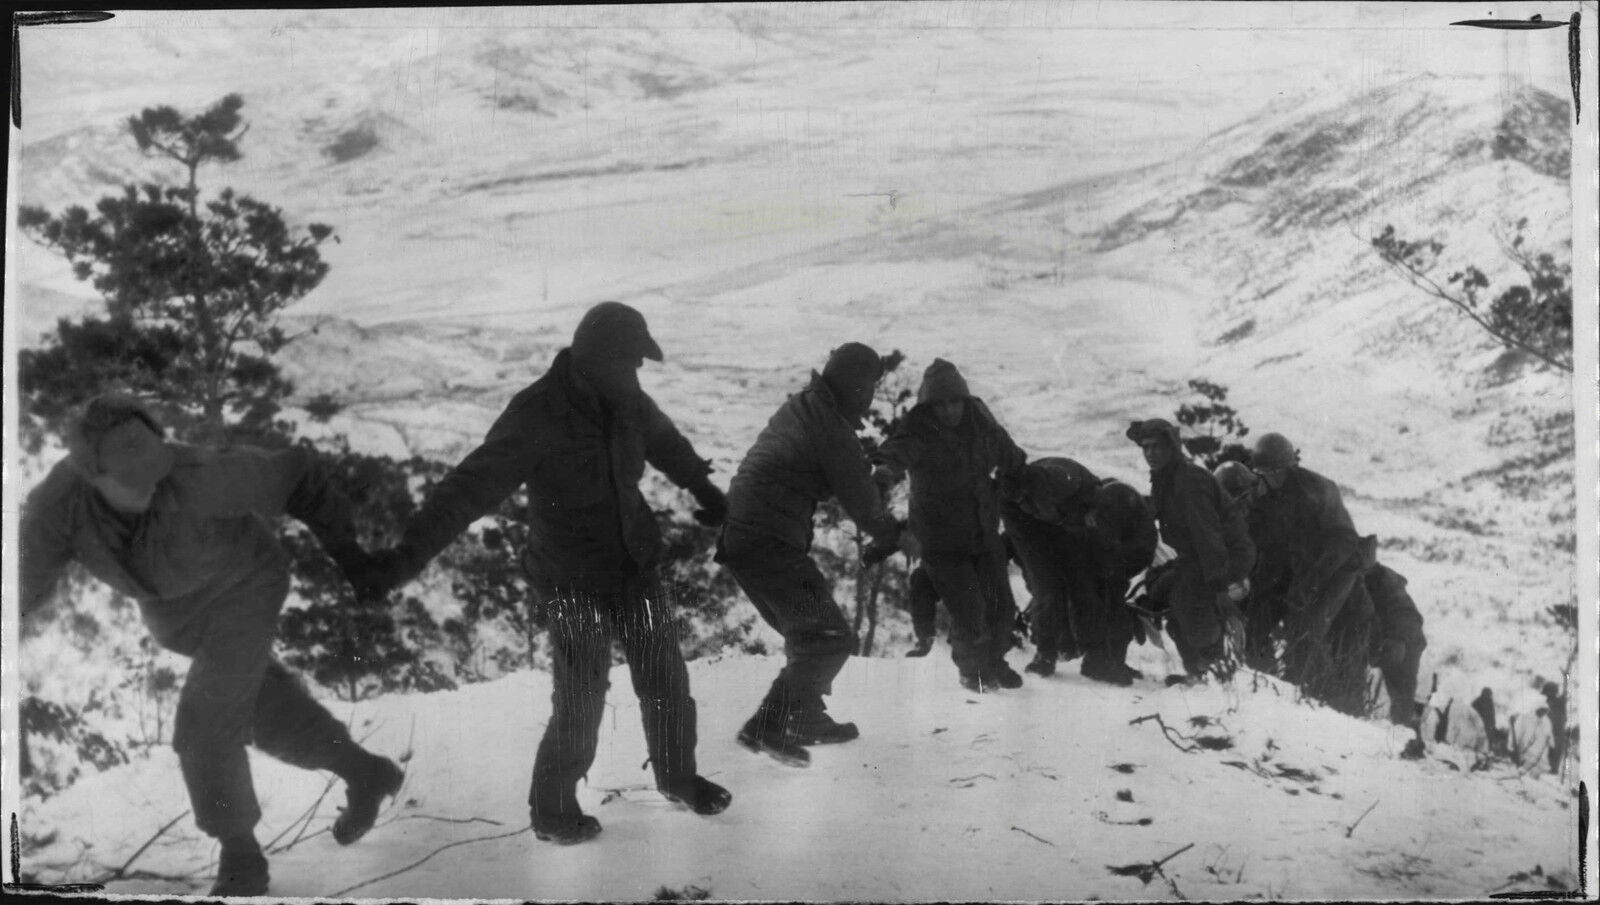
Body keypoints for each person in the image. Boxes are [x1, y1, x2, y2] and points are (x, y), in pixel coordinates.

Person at [352, 302, 732, 845]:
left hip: (635, 566)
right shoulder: (539, 412)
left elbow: (666, 442)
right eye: (629, 362)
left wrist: (705, 490)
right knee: (581, 693)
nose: (637, 372)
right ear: (593, 360)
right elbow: (467, 489)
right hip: (572, 578)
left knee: (666, 677)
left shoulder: (624, 398)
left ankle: (678, 778)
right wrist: (404, 560)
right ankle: (553, 810)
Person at [19, 395, 403, 897]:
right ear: (92, 477)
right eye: (134, 481)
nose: (154, 485)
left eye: (156, 468)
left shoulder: (200, 473)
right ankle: (367, 773)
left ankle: (241, 857)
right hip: (176, 618)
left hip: (246, 588)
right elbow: (23, 582)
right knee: (259, 712)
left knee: (204, 723)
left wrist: (351, 557)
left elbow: (298, 475)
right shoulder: (59, 507)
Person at [719, 343, 907, 766]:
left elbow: (815, 471)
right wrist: (896, 532)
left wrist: (866, 470)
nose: (870, 396)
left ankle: (806, 718)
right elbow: (864, 506)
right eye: (869, 386)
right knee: (828, 638)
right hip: (767, 539)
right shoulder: (829, 426)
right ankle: (767, 726)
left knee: (809, 635)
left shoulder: (806, 407)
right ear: (855, 386)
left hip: (744, 537)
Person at [874, 359, 1028, 693]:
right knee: (970, 611)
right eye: (940, 404)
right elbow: (894, 455)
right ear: (930, 406)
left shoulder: (981, 426)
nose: (948, 411)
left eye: (954, 402)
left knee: (1002, 608)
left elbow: (1013, 457)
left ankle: (995, 662)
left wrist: (1011, 477)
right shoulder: (919, 431)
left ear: (964, 400)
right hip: (940, 540)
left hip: (983, 531)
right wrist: (883, 475)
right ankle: (973, 672)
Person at [1247, 432, 1376, 715]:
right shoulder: (1263, 497)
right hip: (1298, 571)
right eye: (1265, 474)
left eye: (1276, 472)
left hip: (1337, 570)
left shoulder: (1318, 489)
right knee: (1258, 619)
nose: (1271, 479)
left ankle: (1318, 704)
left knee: (1306, 629)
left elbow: (1343, 541)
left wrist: (1311, 583)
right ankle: (1265, 690)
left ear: (1289, 467)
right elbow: (1268, 548)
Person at [1002, 457, 1159, 685]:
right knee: (1048, 589)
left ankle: (1099, 657)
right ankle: (1046, 654)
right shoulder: (1016, 509)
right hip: (1032, 530)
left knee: (1088, 588)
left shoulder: (1083, 494)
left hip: (1070, 524)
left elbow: (1105, 576)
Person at [1124, 419, 1249, 680]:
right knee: (1162, 595)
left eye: (1157, 447)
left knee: (1187, 600)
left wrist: (1218, 588)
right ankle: (1197, 673)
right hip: (1198, 556)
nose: (1150, 454)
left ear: (1172, 447)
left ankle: (1216, 664)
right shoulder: (1165, 478)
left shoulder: (1189, 481)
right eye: (1145, 448)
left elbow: (1208, 535)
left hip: (1225, 556)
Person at [1364, 562, 1427, 725]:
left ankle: (1401, 731)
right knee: (1403, 691)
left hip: (1400, 636)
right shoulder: (1386, 580)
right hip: (1408, 634)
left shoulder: (1374, 579)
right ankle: (1402, 729)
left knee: (1401, 689)